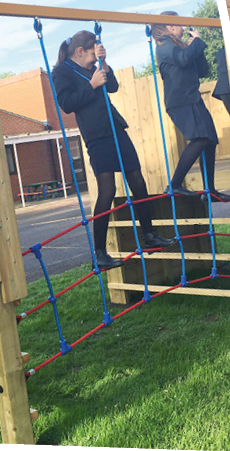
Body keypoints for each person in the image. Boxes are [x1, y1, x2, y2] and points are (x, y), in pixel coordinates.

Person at [52, 29, 179, 273]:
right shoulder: (62, 72)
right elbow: (66, 104)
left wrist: (103, 62)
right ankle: (99, 253)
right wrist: (90, 84)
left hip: (114, 127)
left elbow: (112, 87)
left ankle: (150, 235)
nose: (93, 58)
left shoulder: (94, 66)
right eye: (92, 53)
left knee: (137, 181)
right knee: (107, 189)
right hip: (96, 134)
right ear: (80, 51)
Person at [154, 12, 230, 202]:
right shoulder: (163, 44)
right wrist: (196, 43)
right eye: (180, 24)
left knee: (210, 140)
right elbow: (182, 59)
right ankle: (174, 185)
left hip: (192, 98)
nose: (183, 28)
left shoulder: (178, 46)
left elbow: (203, 71)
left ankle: (210, 190)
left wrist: (195, 48)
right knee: (199, 139)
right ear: (170, 27)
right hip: (180, 101)